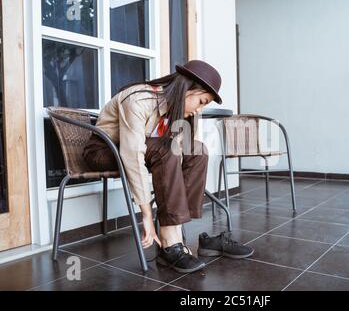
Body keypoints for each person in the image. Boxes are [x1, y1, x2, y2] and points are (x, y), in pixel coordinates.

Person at [82, 60, 253, 273]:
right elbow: (133, 156)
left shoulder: (173, 111)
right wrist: (146, 214)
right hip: (104, 150)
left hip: (142, 149)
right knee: (167, 149)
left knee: (197, 151)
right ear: (189, 90)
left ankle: (175, 235)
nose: (198, 110)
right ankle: (170, 244)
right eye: (201, 101)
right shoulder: (138, 100)